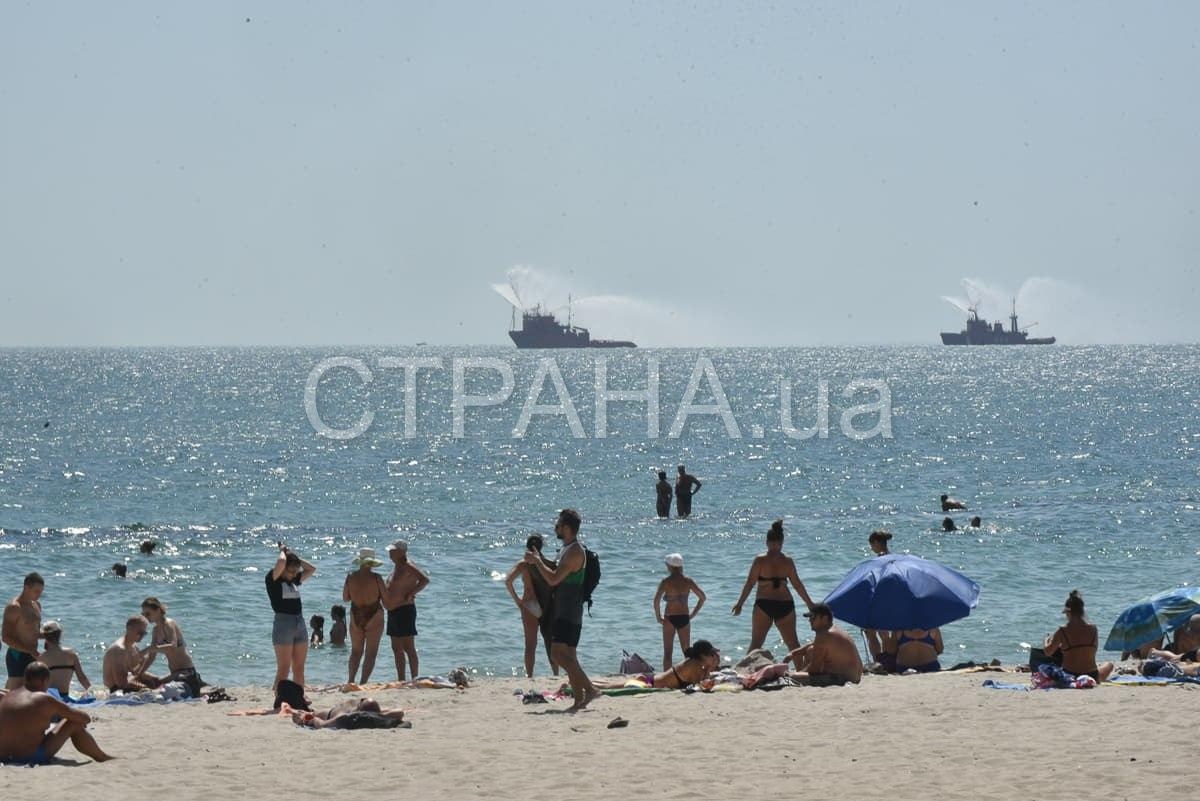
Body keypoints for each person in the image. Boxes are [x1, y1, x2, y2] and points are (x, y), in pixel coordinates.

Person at [524, 508, 600, 711]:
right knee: (569, 656)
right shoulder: (567, 549)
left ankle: (590, 689)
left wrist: (537, 562)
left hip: (568, 611)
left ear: (566, 528)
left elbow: (553, 578)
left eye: (558, 525)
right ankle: (578, 700)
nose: (555, 528)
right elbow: (557, 569)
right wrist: (538, 558)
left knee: (558, 655)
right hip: (566, 609)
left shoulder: (575, 552)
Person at [0, 662, 113, 764]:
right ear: (44, 681)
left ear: (25, 679)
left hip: (3, 756)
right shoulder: (44, 699)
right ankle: (101, 757)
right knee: (74, 723)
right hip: (29, 757)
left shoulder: (8, 696)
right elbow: (84, 718)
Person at [731, 520, 815, 654]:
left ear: (767, 542)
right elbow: (797, 585)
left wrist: (740, 603)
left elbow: (750, 583)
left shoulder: (760, 560)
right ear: (782, 542)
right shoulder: (787, 561)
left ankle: (746, 671)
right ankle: (801, 671)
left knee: (756, 643)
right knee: (793, 643)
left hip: (764, 604)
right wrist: (809, 603)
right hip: (785, 604)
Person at [504, 534, 558, 678]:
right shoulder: (547, 564)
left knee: (530, 645)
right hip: (547, 604)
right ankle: (556, 674)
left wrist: (518, 602)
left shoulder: (523, 564)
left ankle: (530, 676)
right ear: (541, 547)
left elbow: (508, 581)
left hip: (530, 605)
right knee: (550, 642)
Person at [266, 545, 316, 691]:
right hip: (283, 624)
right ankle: (278, 697)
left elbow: (311, 569)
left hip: (299, 622)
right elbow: (281, 563)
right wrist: (283, 551)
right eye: (291, 571)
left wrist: (295, 558)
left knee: (299, 668)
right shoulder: (273, 579)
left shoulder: (294, 580)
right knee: (284, 668)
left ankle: (299, 697)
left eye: (296, 571)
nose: (294, 574)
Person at [383, 540, 430, 683]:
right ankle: (401, 680)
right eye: (390, 551)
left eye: (393, 551)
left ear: (401, 552)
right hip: (393, 611)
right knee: (396, 648)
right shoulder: (397, 566)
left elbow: (424, 579)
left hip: (404, 609)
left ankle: (414, 677)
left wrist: (411, 593)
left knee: (408, 647)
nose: (390, 553)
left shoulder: (407, 565)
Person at [1043, 590, 1114, 683]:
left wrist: (1046, 641)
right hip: (1092, 675)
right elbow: (1089, 651)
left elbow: (1048, 652)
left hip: (1070, 675)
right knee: (1109, 665)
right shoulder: (1093, 629)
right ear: (1082, 611)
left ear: (1068, 613)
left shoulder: (1062, 630)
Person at [786, 604, 863, 686]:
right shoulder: (834, 630)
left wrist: (797, 674)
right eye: (809, 618)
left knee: (789, 677)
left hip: (843, 679)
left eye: (813, 617)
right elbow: (814, 644)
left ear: (824, 618)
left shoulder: (823, 635)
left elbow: (814, 668)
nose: (810, 621)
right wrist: (793, 654)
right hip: (856, 677)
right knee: (811, 650)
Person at [653, 553, 707, 671]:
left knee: (668, 653)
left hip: (669, 618)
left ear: (670, 567)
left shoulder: (665, 581)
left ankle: (666, 678)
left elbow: (656, 601)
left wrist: (658, 617)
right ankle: (689, 675)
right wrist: (693, 614)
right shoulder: (687, 581)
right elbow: (702, 597)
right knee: (686, 651)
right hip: (684, 617)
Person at [596, 640, 722, 690]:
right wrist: (711, 668)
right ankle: (588, 685)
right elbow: (700, 685)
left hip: (649, 679)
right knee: (609, 687)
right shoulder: (694, 665)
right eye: (712, 655)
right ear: (703, 655)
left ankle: (590, 684)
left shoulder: (695, 663)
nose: (714, 657)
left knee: (609, 685)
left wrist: (709, 667)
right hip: (647, 682)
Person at [139, 597, 203, 694]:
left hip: (186, 672)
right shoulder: (155, 630)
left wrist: (149, 649)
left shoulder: (169, 624)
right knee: (150, 680)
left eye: (148, 614)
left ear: (158, 610)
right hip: (174, 673)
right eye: (143, 615)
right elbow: (151, 657)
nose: (146, 617)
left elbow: (172, 646)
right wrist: (140, 673)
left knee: (160, 688)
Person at [344, 547, 388, 685]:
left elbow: (345, 598)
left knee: (355, 652)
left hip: (356, 613)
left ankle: (350, 681)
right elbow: (386, 600)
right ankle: (363, 682)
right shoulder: (377, 578)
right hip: (374, 614)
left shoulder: (351, 576)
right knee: (371, 653)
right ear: (372, 562)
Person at [3, 572, 44, 689]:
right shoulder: (14, 607)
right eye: (36, 591)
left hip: (33, 654)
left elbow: (34, 632)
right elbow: (6, 637)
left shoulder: (37, 605)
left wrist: (49, 636)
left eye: (41, 592)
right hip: (17, 655)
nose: (39, 595)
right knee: (15, 693)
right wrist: (29, 650)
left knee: (31, 692)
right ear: (26, 587)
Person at [102, 615, 162, 692]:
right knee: (151, 689)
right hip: (115, 689)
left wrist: (157, 679)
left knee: (156, 681)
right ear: (128, 629)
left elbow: (136, 672)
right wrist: (146, 688)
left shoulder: (133, 647)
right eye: (140, 633)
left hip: (127, 682)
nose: (142, 636)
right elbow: (121, 683)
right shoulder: (118, 649)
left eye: (144, 633)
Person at [39, 621, 92, 699]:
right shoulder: (71, 654)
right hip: (65, 697)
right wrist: (91, 692)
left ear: (45, 637)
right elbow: (82, 678)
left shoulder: (42, 657)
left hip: (50, 698)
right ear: (60, 635)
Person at [863, 531, 893, 667]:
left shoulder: (880, 558)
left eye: (872, 544)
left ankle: (877, 661)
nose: (871, 548)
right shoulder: (892, 557)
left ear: (876, 542)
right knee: (885, 633)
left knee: (871, 631)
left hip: (878, 597)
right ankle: (888, 659)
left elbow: (873, 579)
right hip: (889, 597)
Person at [290, 696, 407, 729]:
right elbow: (399, 712)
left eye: (361, 701)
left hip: (329, 714)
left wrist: (307, 719)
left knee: (300, 715)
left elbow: (321, 724)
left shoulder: (344, 717)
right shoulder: (376, 713)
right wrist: (382, 714)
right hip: (334, 711)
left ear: (359, 709)